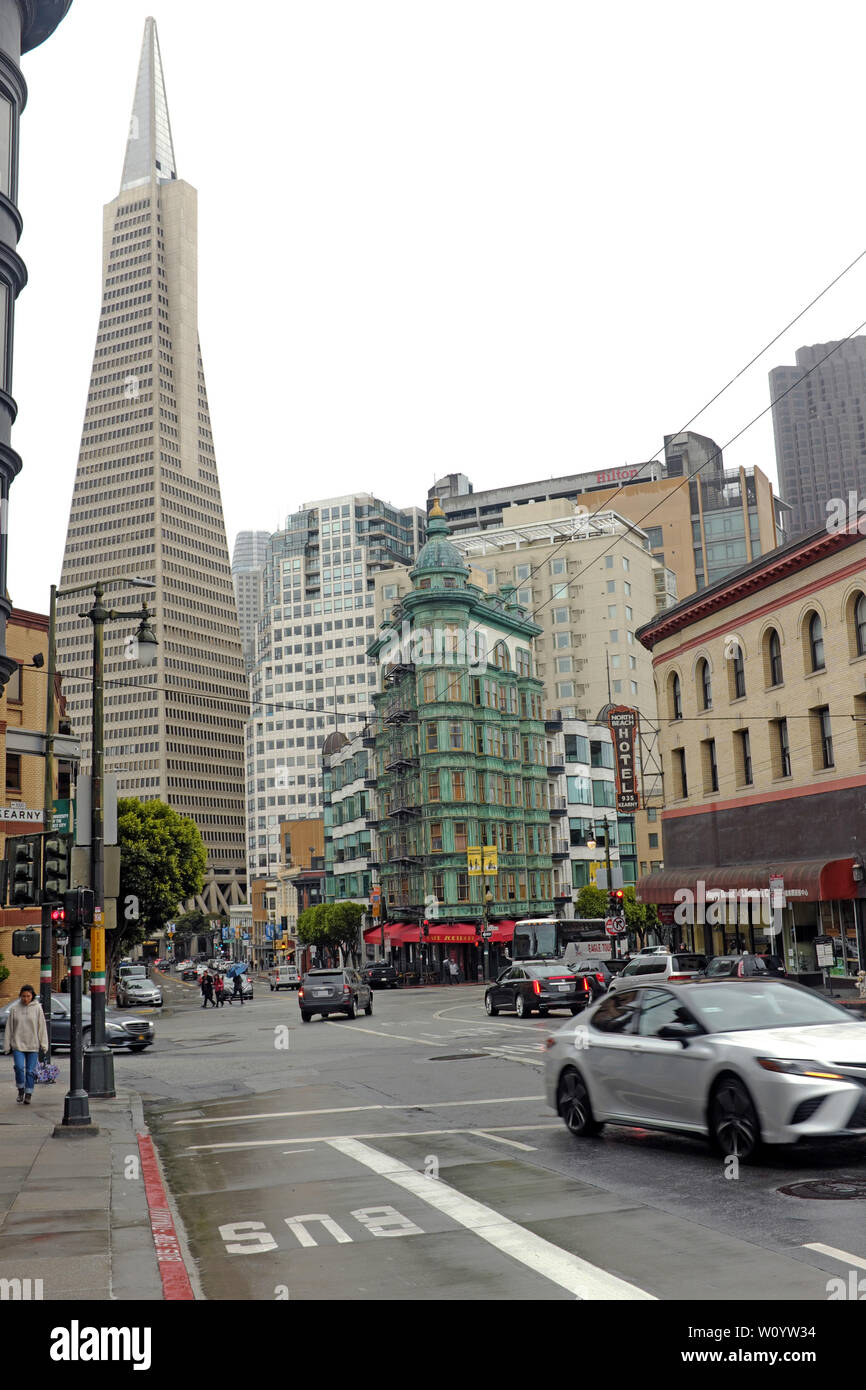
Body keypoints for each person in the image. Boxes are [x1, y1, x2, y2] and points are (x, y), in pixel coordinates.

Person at [3, 984, 48, 1104]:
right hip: (18, 1044)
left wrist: (44, 1044)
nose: (26, 999)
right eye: (23, 996)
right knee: (19, 1067)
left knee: (30, 1071)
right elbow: (9, 1028)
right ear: (20, 996)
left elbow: (42, 1027)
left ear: (32, 996)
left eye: (28, 996)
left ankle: (29, 1092)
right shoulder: (15, 1009)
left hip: (32, 1045)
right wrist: (7, 1046)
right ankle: (21, 1089)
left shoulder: (37, 1008)